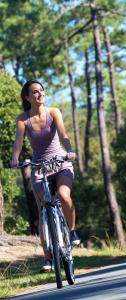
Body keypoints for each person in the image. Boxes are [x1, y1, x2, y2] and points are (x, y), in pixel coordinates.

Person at [10, 79, 81, 273]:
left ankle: (73, 230)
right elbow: (18, 143)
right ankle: (48, 258)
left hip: (60, 162)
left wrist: (70, 150)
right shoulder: (23, 120)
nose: (40, 94)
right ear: (27, 97)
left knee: (64, 195)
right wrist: (15, 158)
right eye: (35, 92)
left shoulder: (53, 112)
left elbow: (64, 135)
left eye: (42, 90)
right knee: (43, 209)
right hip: (39, 167)